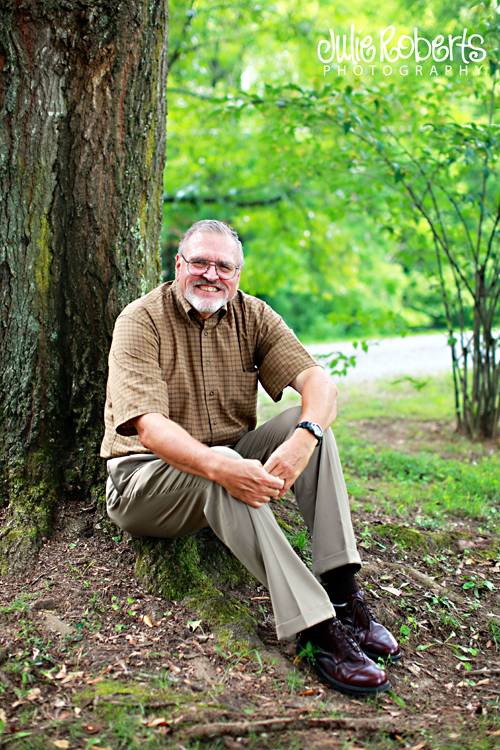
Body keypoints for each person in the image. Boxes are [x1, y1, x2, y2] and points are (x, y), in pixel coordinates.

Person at [101, 219, 400, 696]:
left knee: (312, 430)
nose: (211, 274)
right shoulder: (140, 320)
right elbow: (149, 429)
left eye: (224, 266)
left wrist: (304, 437)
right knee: (220, 467)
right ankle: (316, 629)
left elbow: (319, 385)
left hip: (227, 456)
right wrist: (223, 466)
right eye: (199, 262)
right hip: (144, 481)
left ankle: (343, 596)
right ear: (178, 265)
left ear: (238, 274)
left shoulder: (254, 315)